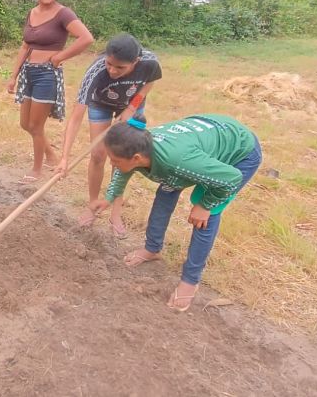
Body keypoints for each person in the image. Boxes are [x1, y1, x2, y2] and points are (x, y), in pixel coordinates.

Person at [93, 114, 262, 311]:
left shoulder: (177, 160)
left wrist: (206, 205)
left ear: (137, 158)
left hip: (239, 152)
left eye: (115, 160)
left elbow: (231, 178)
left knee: (205, 216)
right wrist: (109, 197)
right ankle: (152, 249)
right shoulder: (138, 144)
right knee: (167, 189)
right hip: (204, 140)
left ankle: (190, 280)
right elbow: (124, 171)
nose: (112, 164)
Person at [57, 34, 162, 236]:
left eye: (120, 68)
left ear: (136, 62)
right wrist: (64, 158)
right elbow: (76, 116)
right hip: (101, 104)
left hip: (133, 104)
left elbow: (150, 82)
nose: (112, 71)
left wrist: (131, 107)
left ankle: (115, 212)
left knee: (122, 158)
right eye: (109, 64)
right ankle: (92, 205)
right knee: (98, 154)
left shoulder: (150, 62)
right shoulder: (96, 70)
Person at [6, 0, 93, 183]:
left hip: (47, 75)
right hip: (29, 73)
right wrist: (13, 75)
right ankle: (50, 154)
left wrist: (59, 57)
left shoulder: (64, 13)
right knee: (25, 124)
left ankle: (37, 170)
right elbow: (25, 46)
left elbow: (86, 38)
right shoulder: (32, 13)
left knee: (36, 126)